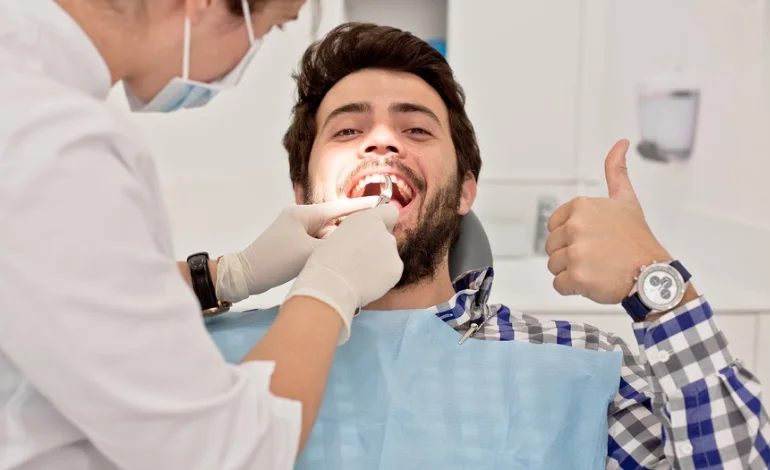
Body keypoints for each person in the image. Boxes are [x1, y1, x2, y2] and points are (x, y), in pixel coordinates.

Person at [207, 23, 770, 469]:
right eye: (349, 130)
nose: (382, 140)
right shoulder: (212, 356)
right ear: (302, 194)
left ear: (464, 191)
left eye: (418, 130)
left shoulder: (581, 366)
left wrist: (659, 287)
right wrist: (221, 278)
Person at [0, 2, 404, 469]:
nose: (382, 143)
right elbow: (221, 450)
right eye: (271, 28)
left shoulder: (26, 94)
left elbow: (57, 287)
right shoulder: (55, 143)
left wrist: (227, 276)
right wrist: (329, 290)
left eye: (415, 128)